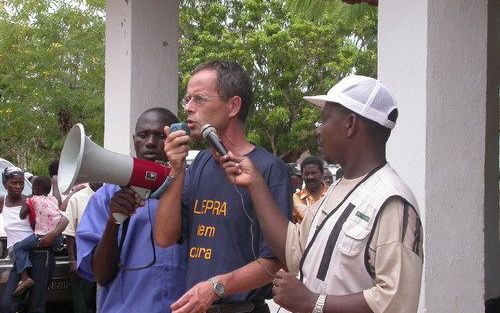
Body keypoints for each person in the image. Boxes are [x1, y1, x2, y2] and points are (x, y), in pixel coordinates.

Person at [221, 75, 424, 313]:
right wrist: (255, 183)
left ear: (350, 124)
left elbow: (396, 301)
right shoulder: (338, 189)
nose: (318, 130)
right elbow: (293, 250)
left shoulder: (392, 201)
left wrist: (312, 302)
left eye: (324, 120)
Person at [154, 60, 293, 313]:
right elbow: (164, 237)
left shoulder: (269, 169)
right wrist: (176, 170)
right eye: (187, 100)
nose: (188, 108)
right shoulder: (199, 165)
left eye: (199, 99)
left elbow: (276, 263)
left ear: (233, 106)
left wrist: (216, 286)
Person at [76, 107, 187, 313]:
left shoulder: (192, 190)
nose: (151, 142)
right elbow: (100, 275)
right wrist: (113, 221)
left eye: (161, 136)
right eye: (143, 135)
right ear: (134, 139)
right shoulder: (107, 197)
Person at [0, 167, 64, 313]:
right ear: (5, 184)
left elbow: (62, 219)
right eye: (13, 183)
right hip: (20, 259)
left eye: (21, 183)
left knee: (36, 306)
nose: (18, 186)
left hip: (40, 255)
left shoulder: (33, 200)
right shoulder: (2, 202)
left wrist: (53, 234)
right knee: (7, 305)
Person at [12, 176, 68, 296]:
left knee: (19, 248)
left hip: (40, 237)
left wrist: (26, 203)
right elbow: (58, 198)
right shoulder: (53, 200)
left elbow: (22, 215)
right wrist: (55, 184)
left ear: (36, 189)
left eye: (32, 188)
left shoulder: (32, 200)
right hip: (57, 239)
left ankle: (25, 277)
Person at [63, 182, 103, 313]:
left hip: (104, 253)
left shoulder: (110, 195)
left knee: (99, 300)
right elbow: (70, 232)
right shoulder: (77, 198)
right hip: (82, 254)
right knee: (82, 302)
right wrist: (72, 260)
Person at [292, 156, 329, 223]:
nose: (310, 177)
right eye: (306, 174)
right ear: (302, 175)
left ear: (322, 173)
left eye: (314, 173)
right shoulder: (295, 198)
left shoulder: (332, 194)